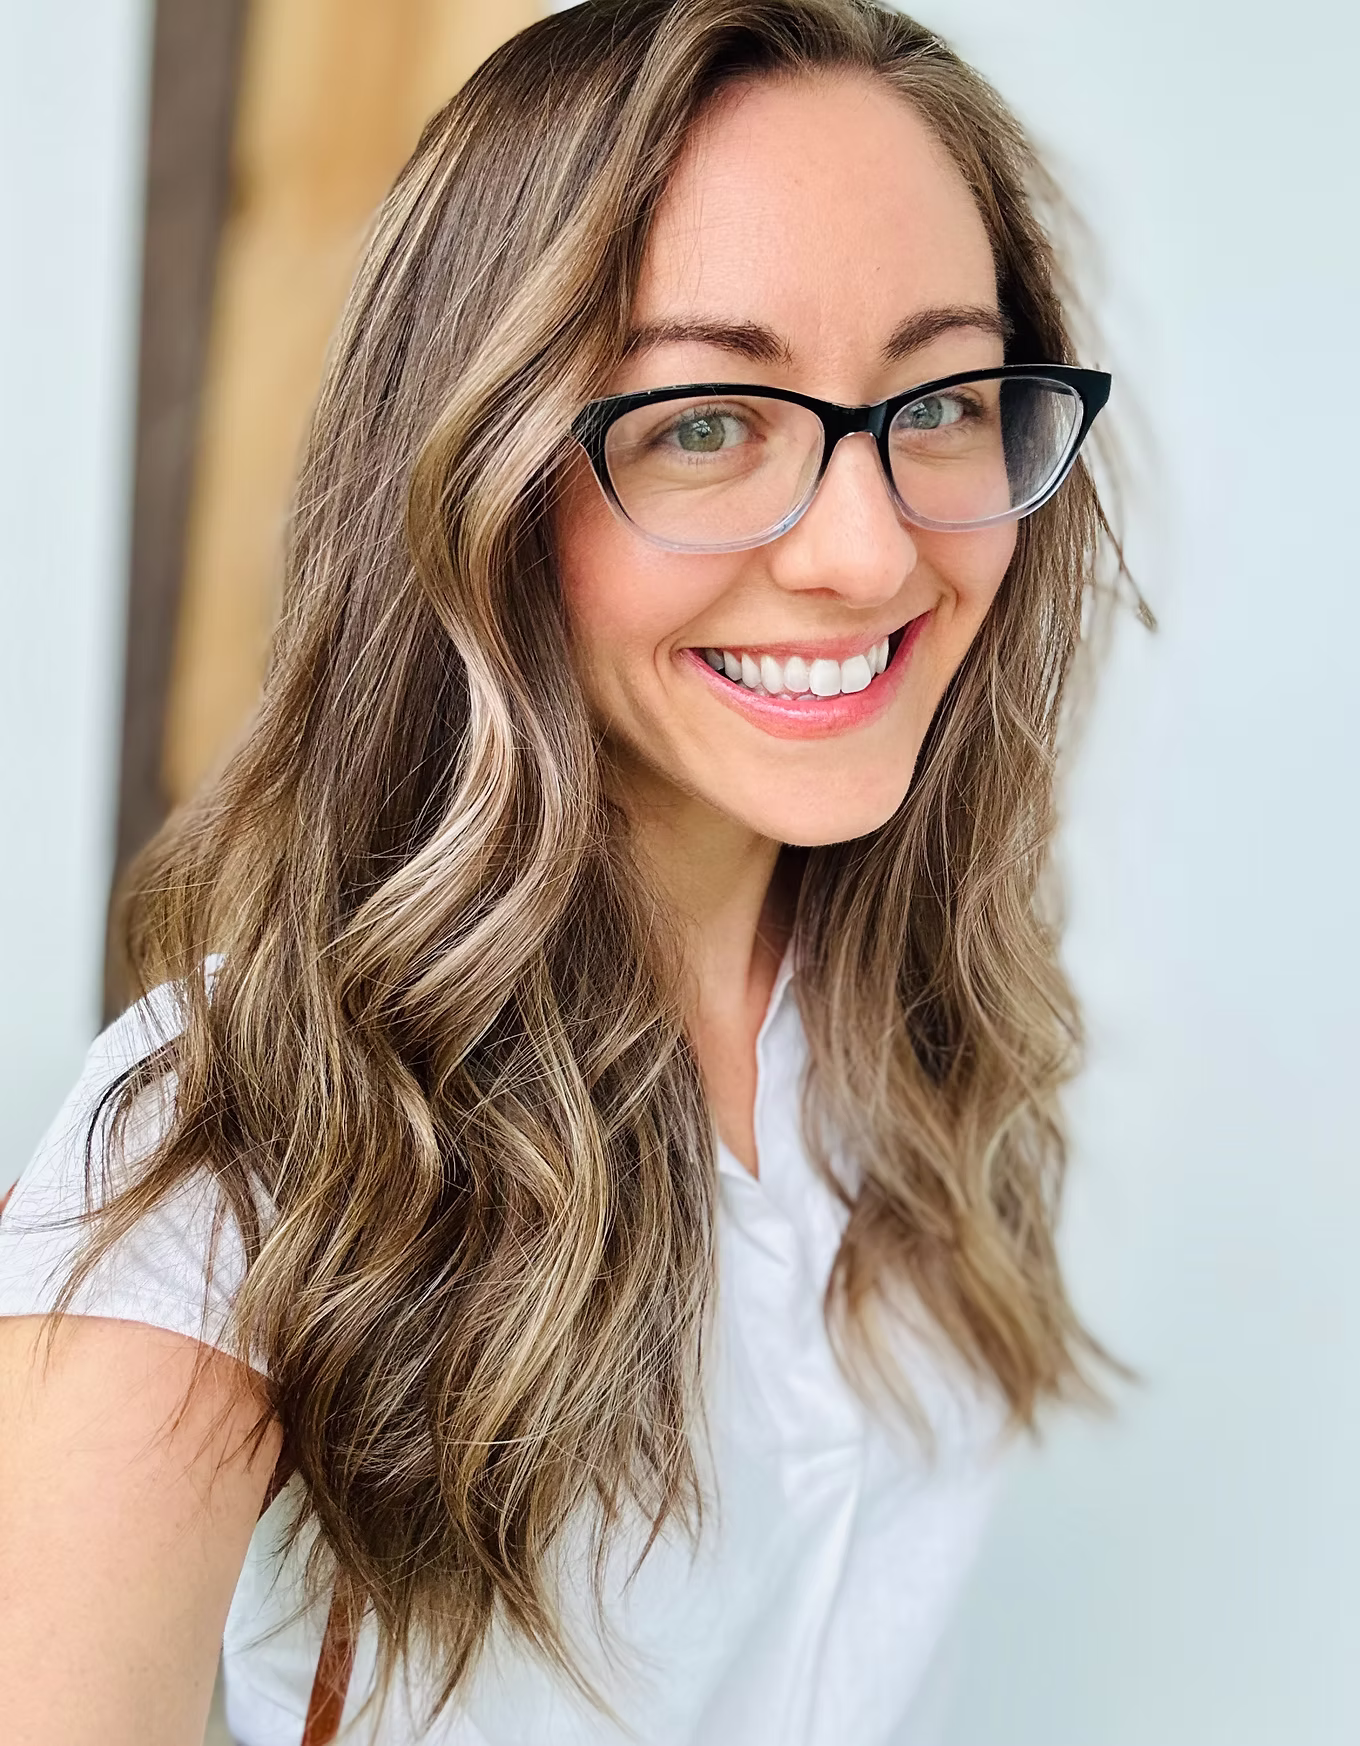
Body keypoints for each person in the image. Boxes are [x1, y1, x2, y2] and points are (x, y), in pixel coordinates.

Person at [0, 2, 1122, 1741]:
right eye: (705, 423)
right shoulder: (231, 1156)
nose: (869, 547)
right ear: (481, 476)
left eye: (946, 400)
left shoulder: (919, 1020)